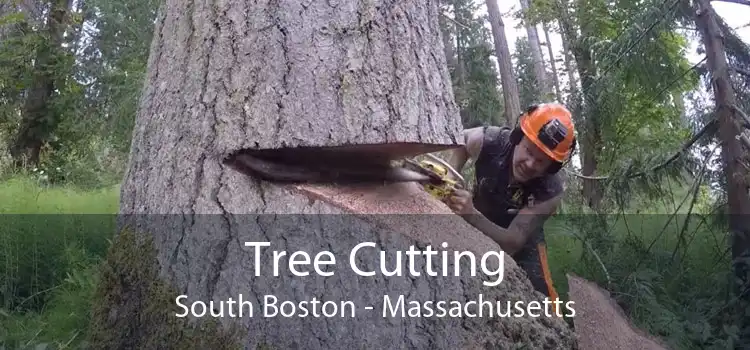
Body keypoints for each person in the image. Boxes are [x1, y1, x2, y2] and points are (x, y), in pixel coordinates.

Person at [444, 103, 577, 309]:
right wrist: (450, 177)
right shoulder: (491, 140)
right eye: (528, 151)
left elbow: (513, 242)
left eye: (541, 161)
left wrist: (470, 214)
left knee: (542, 294)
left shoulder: (550, 191)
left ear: (552, 167)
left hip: (522, 238)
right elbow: (462, 140)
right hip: (478, 214)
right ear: (517, 138)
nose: (530, 164)